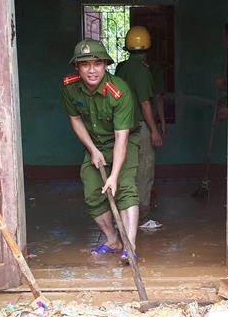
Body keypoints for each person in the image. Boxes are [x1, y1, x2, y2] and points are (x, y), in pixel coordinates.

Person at [61, 39, 141, 264]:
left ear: (106, 65)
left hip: (124, 140)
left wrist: (114, 175)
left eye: (97, 63)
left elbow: (121, 138)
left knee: (125, 189)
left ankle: (130, 246)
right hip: (94, 143)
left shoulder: (119, 91)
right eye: (85, 64)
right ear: (77, 67)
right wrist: (93, 150)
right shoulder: (69, 86)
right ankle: (113, 240)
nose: (92, 69)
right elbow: (75, 120)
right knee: (93, 193)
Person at [116, 26, 163, 230]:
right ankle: (142, 217)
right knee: (144, 171)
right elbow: (145, 103)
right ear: (148, 47)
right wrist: (154, 130)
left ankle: (122, 216)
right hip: (140, 126)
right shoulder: (142, 71)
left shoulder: (121, 68)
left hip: (121, 127)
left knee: (126, 171)